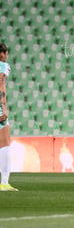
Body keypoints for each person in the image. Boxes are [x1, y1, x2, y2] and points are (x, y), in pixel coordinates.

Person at [0, 43, 17, 191]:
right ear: (4, 53)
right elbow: (1, 86)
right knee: (4, 144)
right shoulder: (3, 66)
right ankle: (4, 183)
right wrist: (3, 108)